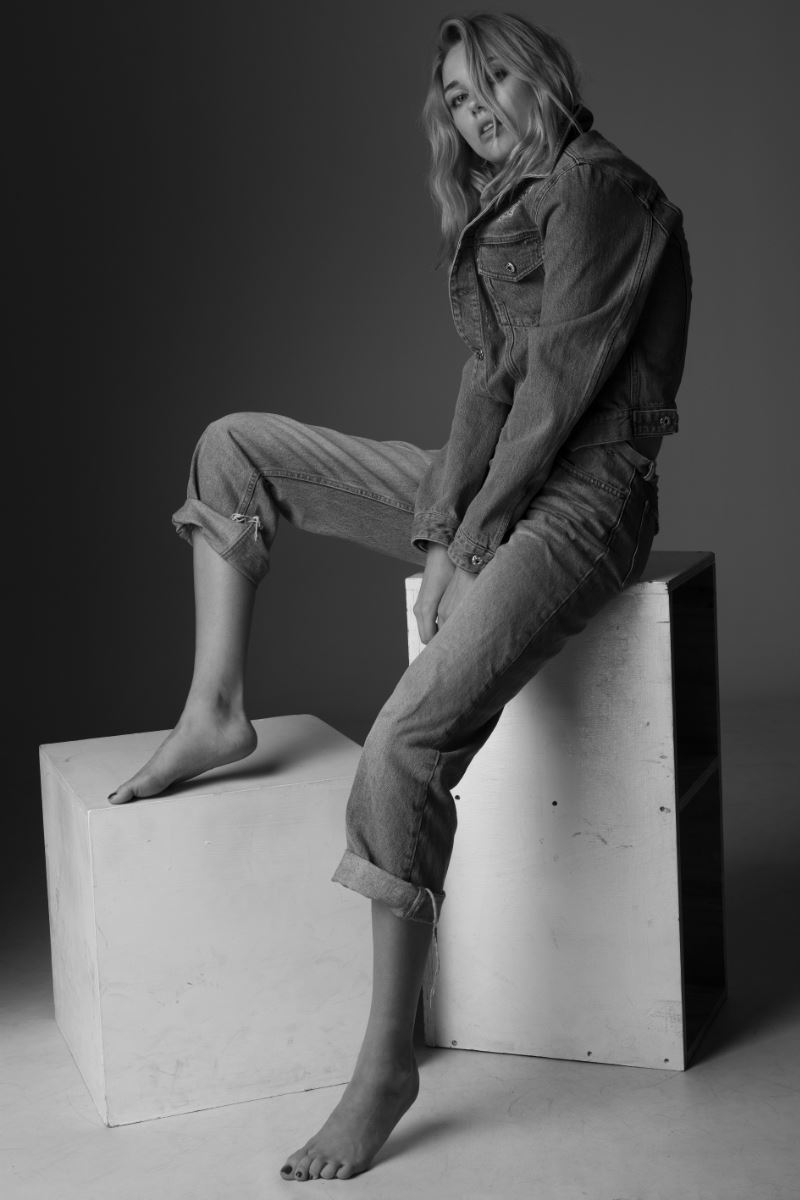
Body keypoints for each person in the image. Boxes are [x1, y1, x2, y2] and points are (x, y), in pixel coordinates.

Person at [107, 11, 691, 1183]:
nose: (476, 116)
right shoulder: (508, 198)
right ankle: (213, 711)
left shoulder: (597, 190)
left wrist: (469, 541)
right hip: (498, 485)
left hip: (585, 501)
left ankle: (384, 1066)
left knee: (403, 745)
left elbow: (556, 394)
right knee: (235, 448)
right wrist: (439, 525)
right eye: (458, 103)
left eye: (493, 86)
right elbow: (488, 378)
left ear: (539, 78)